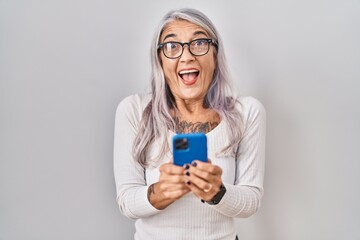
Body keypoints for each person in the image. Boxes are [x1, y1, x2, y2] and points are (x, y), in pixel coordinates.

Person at [113, 8, 266, 240]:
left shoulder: (247, 113)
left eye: (199, 43)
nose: (186, 57)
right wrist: (161, 192)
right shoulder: (134, 111)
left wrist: (217, 192)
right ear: (160, 61)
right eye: (172, 47)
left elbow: (251, 199)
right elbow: (126, 201)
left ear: (215, 55)